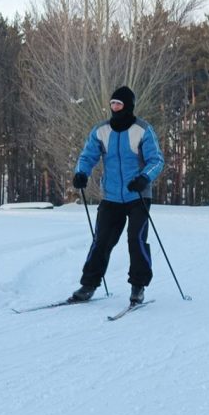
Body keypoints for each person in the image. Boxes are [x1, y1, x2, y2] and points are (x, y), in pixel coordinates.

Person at [69, 86, 165, 305]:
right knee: (101, 240)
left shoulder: (143, 130)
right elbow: (87, 156)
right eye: (112, 104)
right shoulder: (101, 131)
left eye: (119, 104)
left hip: (137, 196)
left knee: (136, 239)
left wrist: (144, 178)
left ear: (128, 106)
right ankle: (88, 285)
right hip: (111, 196)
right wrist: (81, 173)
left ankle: (138, 286)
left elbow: (156, 160)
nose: (114, 108)